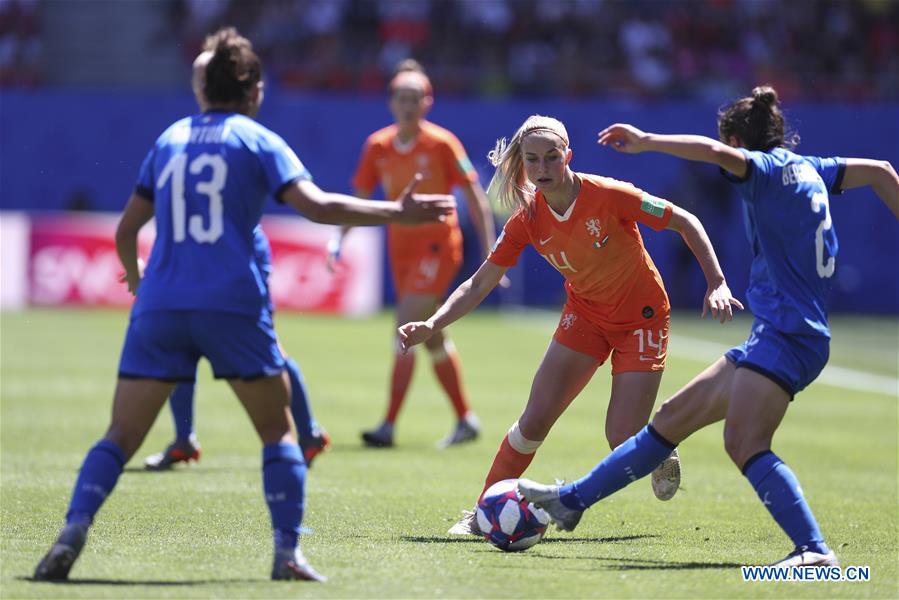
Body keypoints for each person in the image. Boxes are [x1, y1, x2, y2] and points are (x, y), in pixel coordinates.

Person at [33, 28, 454, 583]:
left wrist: (138, 280)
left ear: (203, 87)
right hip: (230, 303)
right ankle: (286, 553)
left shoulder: (170, 139)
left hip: (160, 306)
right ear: (253, 89)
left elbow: (126, 229)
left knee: (119, 436)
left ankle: (73, 528)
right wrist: (395, 214)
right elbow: (319, 206)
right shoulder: (257, 140)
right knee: (278, 435)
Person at [517, 86, 899, 567]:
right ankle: (571, 501)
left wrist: (647, 139)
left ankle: (814, 552)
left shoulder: (761, 169)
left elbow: (715, 152)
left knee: (744, 443)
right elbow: (884, 172)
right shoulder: (813, 167)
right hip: (778, 334)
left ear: (739, 142)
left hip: (789, 335)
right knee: (671, 418)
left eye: (729, 149)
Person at [398, 115, 742, 535]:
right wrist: (432, 323)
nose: (541, 169)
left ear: (568, 157)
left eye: (551, 158)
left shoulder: (610, 195)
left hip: (642, 319)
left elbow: (686, 221)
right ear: (522, 163)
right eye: (532, 160)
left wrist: (717, 283)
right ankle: (482, 515)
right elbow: (478, 283)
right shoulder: (526, 220)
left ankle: (659, 450)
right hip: (585, 317)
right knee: (534, 421)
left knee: (622, 438)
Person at [143, 42, 328, 472]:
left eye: (203, 76)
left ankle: (307, 431)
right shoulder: (187, 133)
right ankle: (184, 437)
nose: (198, 84)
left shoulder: (237, 134)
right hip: (197, 257)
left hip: (235, 252)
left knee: (267, 347)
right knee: (179, 343)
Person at [329, 59, 501, 450]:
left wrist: (491, 249)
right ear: (391, 102)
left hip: (438, 246)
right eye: (402, 98)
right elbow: (359, 199)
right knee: (434, 336)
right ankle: (465, 419)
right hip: (400, 249)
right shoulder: (377, 146)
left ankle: (387, 425)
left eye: (416, 98)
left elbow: (474, 194)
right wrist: (338, 240)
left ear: (428, 103)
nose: (408, 105)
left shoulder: (442, 143)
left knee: (404, 327)